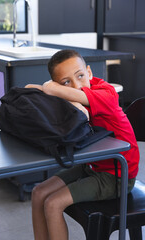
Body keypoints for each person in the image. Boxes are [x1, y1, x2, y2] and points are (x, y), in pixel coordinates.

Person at [25, 49, 140, 240]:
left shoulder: (106, 93)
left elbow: (51, 90)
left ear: (89, 72)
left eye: (80, 76)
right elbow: (31, 88)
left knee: (53, 204)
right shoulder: (72, 95)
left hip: (118, 174)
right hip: (92, 166)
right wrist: (48, 89)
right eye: (67, 82)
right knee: (38, 193)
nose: (77, 86)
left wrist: (51, 87)